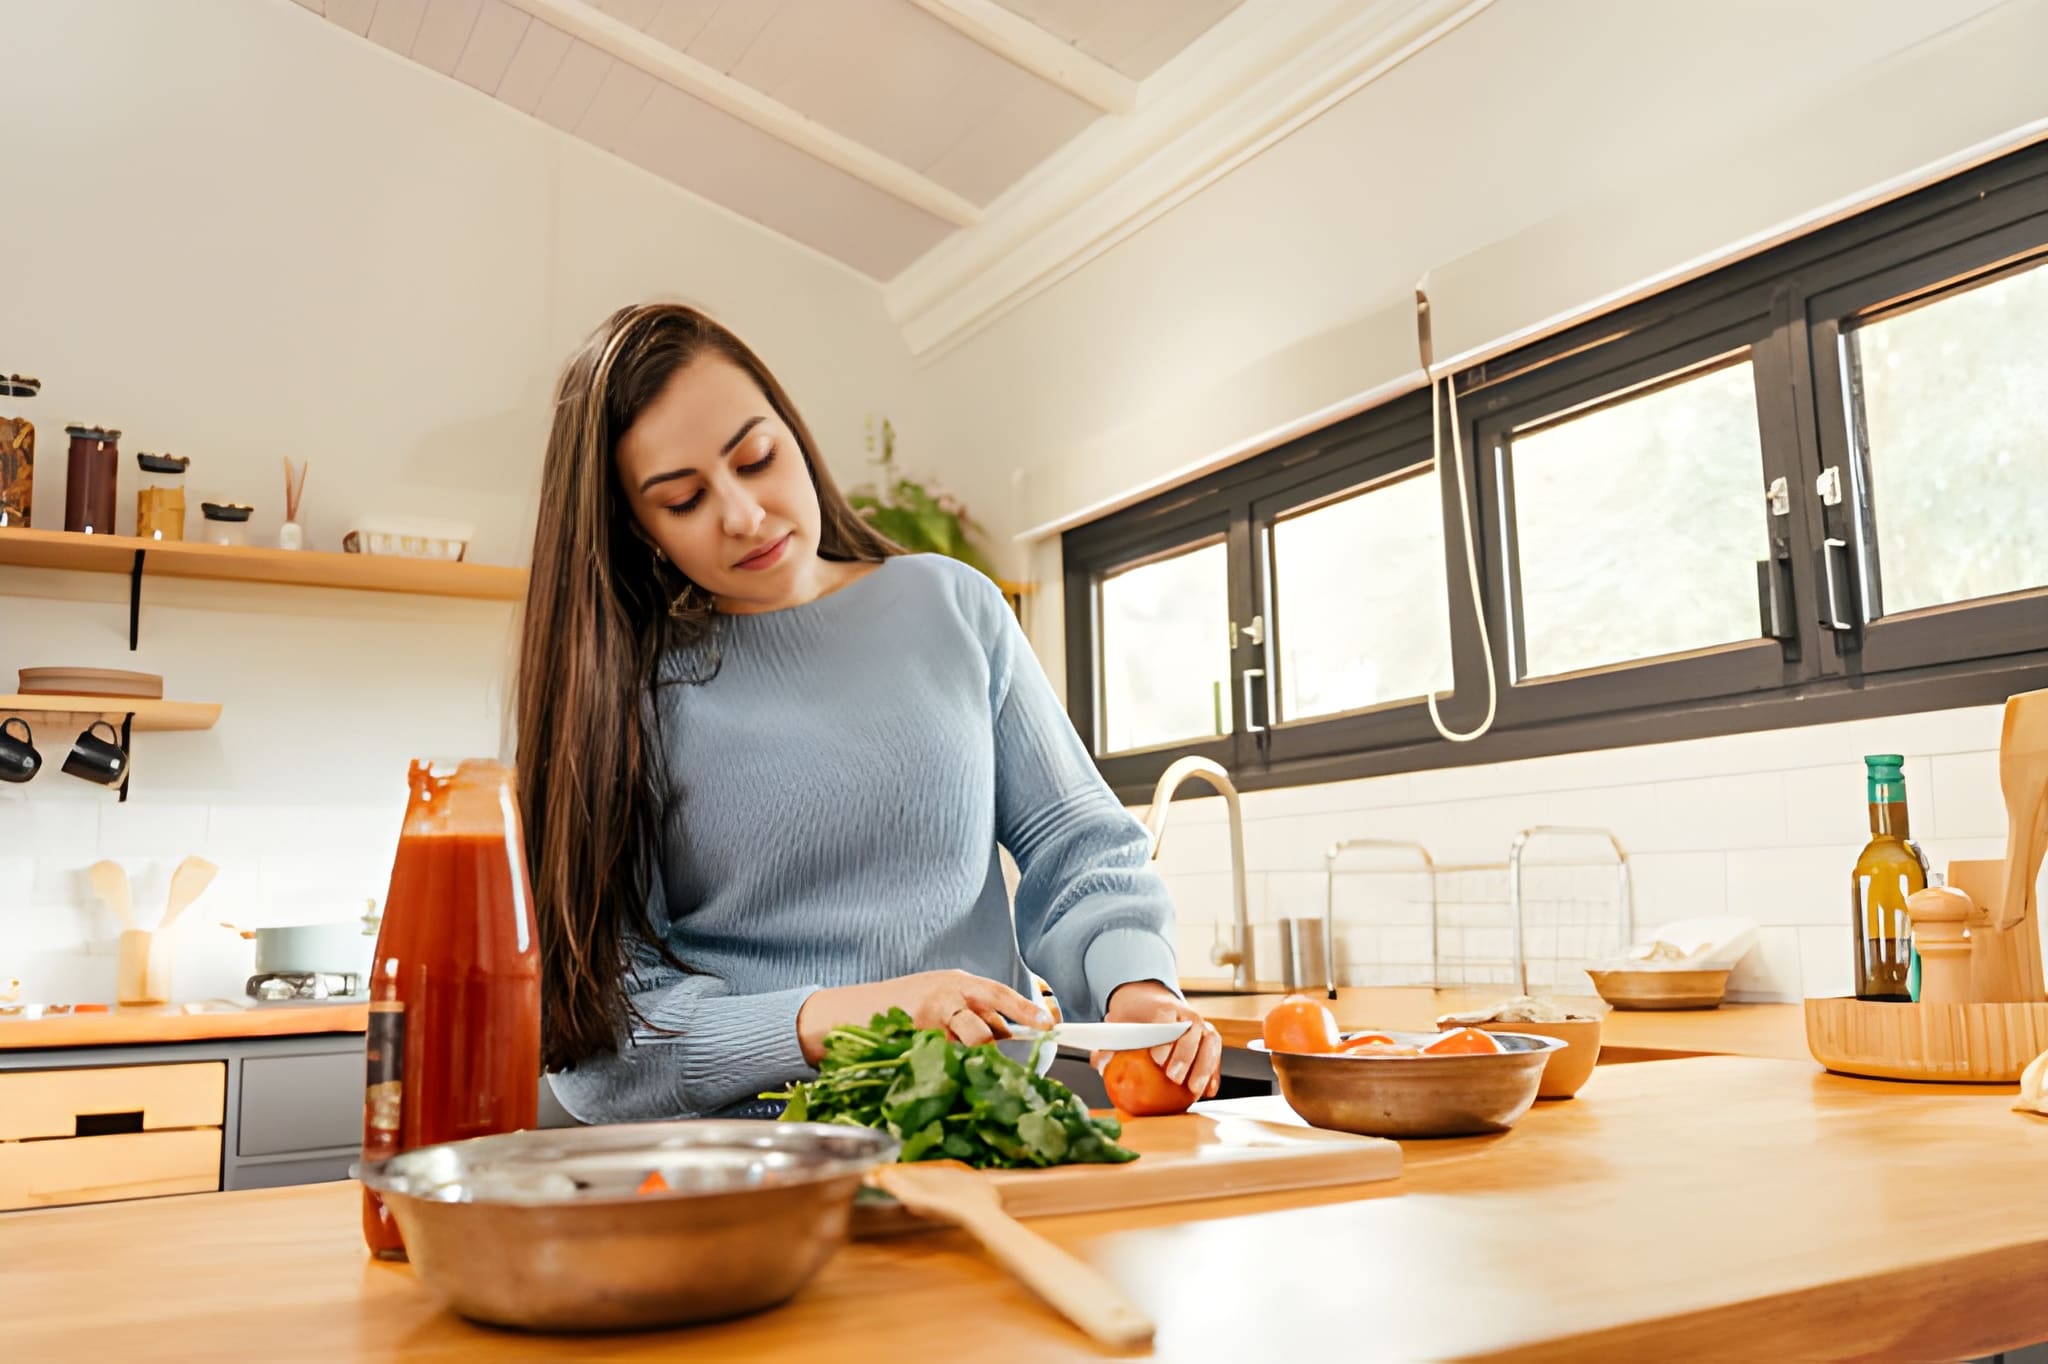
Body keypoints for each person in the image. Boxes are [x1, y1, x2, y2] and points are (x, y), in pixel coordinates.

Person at [515, 302, 1221, 1121]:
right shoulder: (623, 698)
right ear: (637, 530)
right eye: (682, 500)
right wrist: (856, 1017)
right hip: (748, 1175)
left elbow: (1079, 848)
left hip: (988, 1140)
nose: (743, 515)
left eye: (756, 458)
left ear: (794, 432)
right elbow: (602, 1048)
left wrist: (1136, 987)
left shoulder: (952, 607)